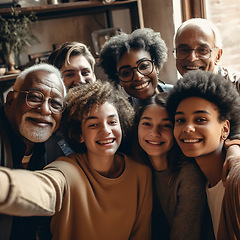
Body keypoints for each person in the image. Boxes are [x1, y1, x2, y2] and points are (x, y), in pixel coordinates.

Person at [0, 80, 153, 240]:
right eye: (93, 124)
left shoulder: (141, 174)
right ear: (79, 135)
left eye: (112, 122)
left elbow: (141, 234)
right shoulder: (66, 171)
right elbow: (38, 189)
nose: (106, 131)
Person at [166, 70, 240, 239]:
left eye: (200, 119)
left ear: (225, 129)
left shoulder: (236, 181)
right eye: (180, 120)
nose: (187, 128)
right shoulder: (203, 184)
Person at [0, 63, 66, 240]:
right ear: (11, 100)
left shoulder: (55, 150)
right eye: (35, 97)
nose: (45, 110)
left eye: (55, 103)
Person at [134, 93, 213, 240]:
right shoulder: (136, 168)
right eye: (147, 123)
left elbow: (185, 235)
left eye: (166, 125)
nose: (154, 133)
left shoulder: (188, 174)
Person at [46, 41, 97, 162]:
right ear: (56, 81)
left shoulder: (113, 115)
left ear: (94, 76)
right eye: (70, 74)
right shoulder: (48, 127)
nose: (80, 80)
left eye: (85, 73)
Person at [99, 28, 173, 108]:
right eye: (126, 73)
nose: (138, 77)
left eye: (144, 66)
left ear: (155, 66)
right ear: (119, 80)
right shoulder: (123, 115)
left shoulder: (179, 96)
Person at [173, 18, 240, 92]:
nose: (192, 58)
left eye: (202, 50)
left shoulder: (237, 87)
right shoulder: (174, 97)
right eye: (184, 50)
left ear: (218, 56)